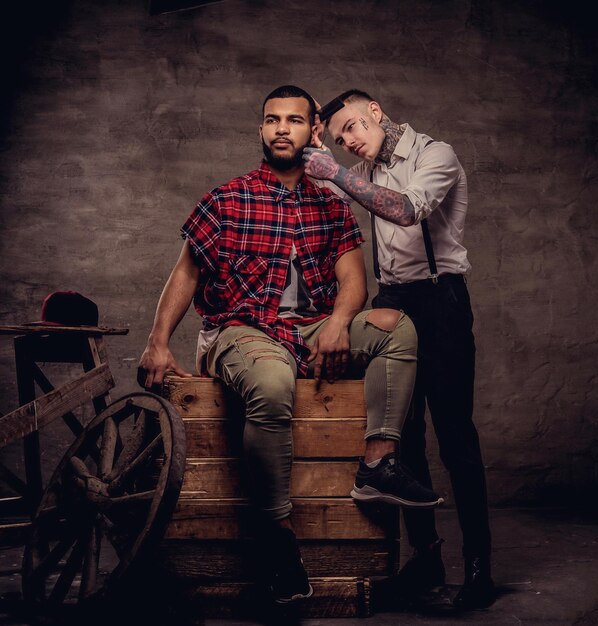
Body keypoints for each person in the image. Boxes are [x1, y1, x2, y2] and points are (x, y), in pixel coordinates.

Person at [137, 85, 443, 605]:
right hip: (242, 330)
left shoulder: (330, 204)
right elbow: (186, 274)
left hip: (310, 328)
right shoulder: (227, 198)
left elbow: (353, 282)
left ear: (312, 131)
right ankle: (277, 539)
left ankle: (377, 463)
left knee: (399, 328)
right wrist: (157, 342)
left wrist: (341, 321)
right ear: (260, 129)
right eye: (272, 120)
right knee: (272, 383)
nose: (282, 128)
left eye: (294, 120)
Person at [303, 89, 495, 610]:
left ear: (375, 112)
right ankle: (426, 559)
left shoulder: (437, 154)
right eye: (339, 136)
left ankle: (480, 569)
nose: (349, 140)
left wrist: (335, 171)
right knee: (401, 437)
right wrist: (314, 156)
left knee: (455, 434)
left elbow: (408, 210)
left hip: (440, 299)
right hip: (393, 303)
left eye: (352, 127)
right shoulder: (361, 173)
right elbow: (337, 202)